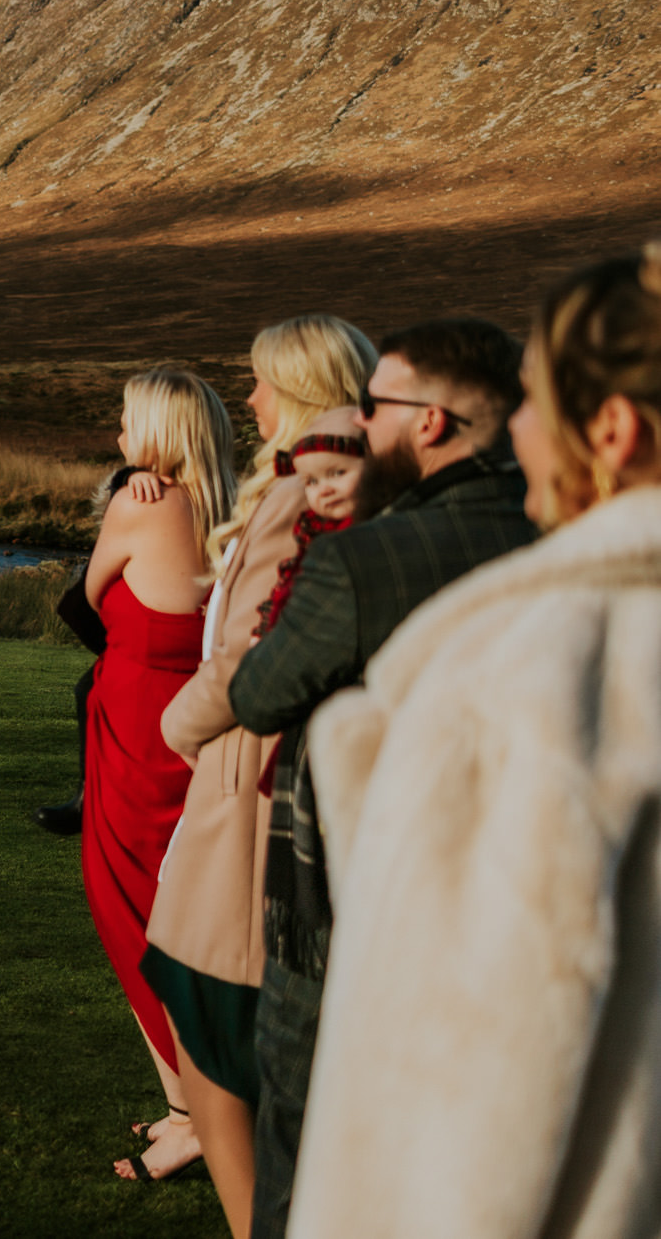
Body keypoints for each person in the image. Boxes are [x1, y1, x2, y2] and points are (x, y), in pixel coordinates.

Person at [288, 247, 661, 1239]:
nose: (516, 430)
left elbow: (458, 1090)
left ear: (613, 431)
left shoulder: (532, 677)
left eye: (533, 398)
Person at [228, 317, 536, 1239]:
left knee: (307, 1152)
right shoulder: (556, 533)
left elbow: (259, 692)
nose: (360, 423)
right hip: (522, 904)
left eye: (375, 405)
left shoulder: (365, 558)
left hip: (350, 903)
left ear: (431, 422)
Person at [142, 314, 374, 1233]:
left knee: (209, 995)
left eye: (263, 380)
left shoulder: (305, 491)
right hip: (240, 766)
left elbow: (257, 642)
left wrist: (180, 721)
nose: (250, 397)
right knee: (197, 986)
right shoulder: (307, 479)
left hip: (247, 770)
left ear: (303, 387)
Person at [80, 368, 234, 1183]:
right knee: (187, 911)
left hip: (139, 726)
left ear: (159, 432)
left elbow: (90, 591)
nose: (117, 429)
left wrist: (125, 493)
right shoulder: (234, 505)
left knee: (132, 908)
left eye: (128, 418)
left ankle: (188, 1116)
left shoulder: (138, 505)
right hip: (200, 722)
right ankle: (203, 1098)